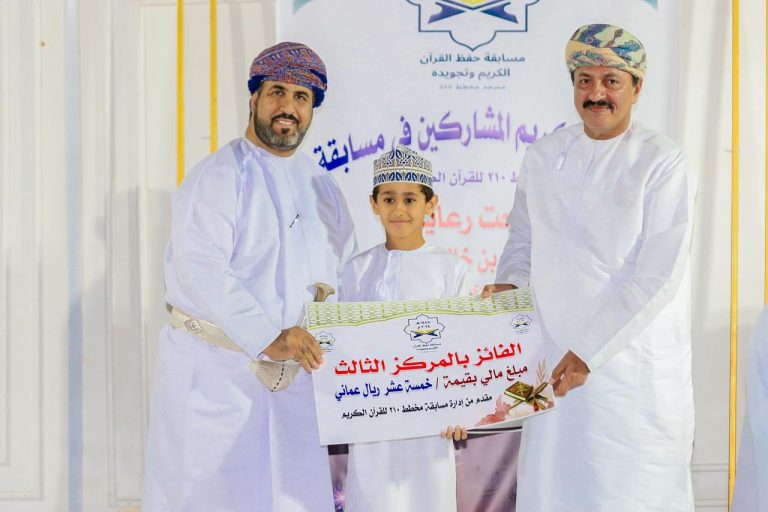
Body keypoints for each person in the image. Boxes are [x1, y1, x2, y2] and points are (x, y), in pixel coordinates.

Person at [482, 24, 696, 511]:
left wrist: (588, 352)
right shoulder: (543, 155)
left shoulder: (663, 162)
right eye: (584, 80)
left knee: (627, 494)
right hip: (549, 361)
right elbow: (522, 238)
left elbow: (657, 275)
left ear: (637, 88)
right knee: (552, 489)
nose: (596, 93)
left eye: (611, 81)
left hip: (627, 373)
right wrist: (508, 287)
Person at [142, 42, 356, 512]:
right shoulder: (218, 176)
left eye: (301, 97)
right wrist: (268, 336)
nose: (288, 107)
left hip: (298, 384)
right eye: (277, 92)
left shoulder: (323, 185)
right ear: (254, 97)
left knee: (293, 498)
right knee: (213, 497)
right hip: (217, 381)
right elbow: (202, 269)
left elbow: (346, 271)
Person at [339, 145, 469, 512]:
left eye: (410, 199)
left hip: (430, 424)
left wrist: (460, 410)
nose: (399, 209)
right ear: (373, 204)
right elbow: (345, 348)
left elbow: (462, 349)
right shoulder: (355, 270)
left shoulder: (451, 269)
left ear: (430, 204)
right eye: (389, 199)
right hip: (371, 422)